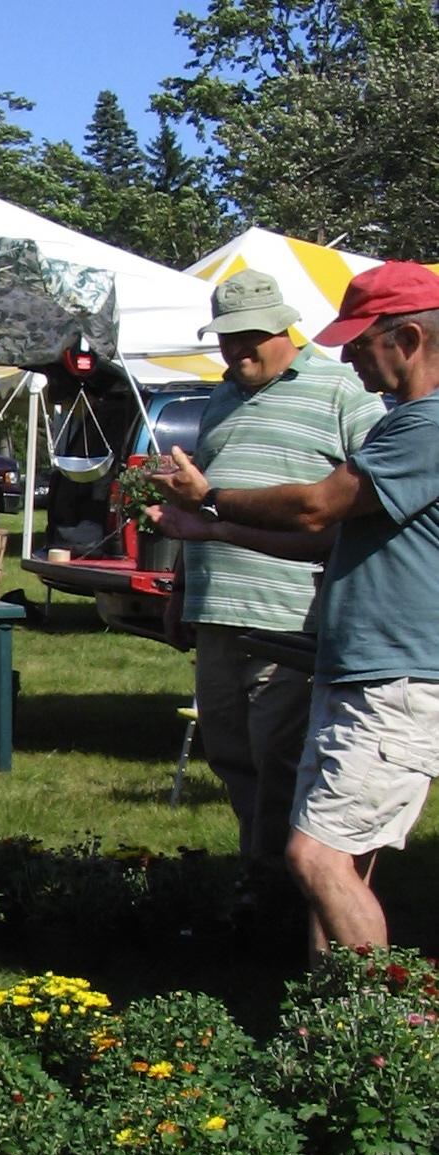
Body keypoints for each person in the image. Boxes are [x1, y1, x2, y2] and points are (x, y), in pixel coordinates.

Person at [149, 261, 439, 956]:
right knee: (332, 857)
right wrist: (212, 533)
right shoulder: (405, 422)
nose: (348, 357)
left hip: (394, 673)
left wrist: (210, 499)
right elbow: (331, 537)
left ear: (406, 339)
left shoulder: (423, 426)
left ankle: (383, 1016)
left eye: (359, 342)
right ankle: (330, 1008)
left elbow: (317, 508)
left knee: (316, 857)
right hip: (360, 663)